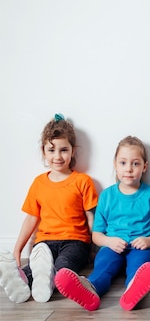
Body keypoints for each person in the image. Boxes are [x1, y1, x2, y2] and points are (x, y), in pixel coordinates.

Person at [55, 136, 150, 311]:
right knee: (103, 266)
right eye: (123, 163)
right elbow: (97, 235)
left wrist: (149, 241)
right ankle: (89, 289)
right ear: (115, 164)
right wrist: (109, 242)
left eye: (135, 164)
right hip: (111, 246)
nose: (129, 169)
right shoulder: (107, 196)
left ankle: (133, 290)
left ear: (144, 166)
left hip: (141, 248)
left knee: (140, 266)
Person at [0, 114, 98, 304]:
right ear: (43, 152)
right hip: (44, 243)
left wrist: (96, 248)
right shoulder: (39, 183)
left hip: (75, 242)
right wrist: (17, 251)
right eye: (51, 150)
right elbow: (30, 219)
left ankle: (47, 281)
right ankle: (20, 282)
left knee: (63, 267)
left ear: (73, 151)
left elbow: (91, 218)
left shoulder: (82, 181)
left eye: (63, 150)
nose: (57, 156)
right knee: (33, 268)